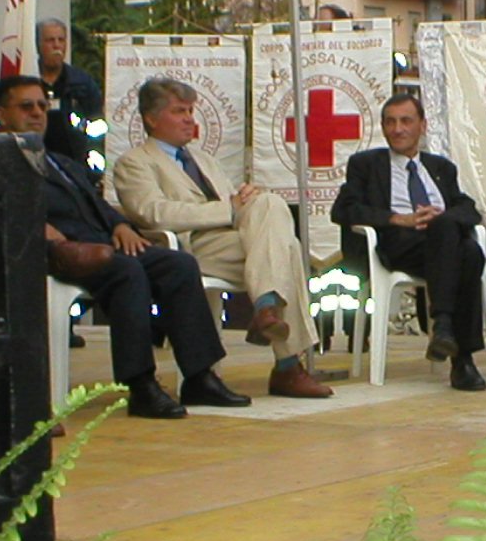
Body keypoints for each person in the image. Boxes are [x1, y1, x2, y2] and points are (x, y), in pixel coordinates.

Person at [0, 75, 248, 419]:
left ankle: (199, 375)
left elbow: (99, 207)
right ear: (2, 113)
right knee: (127, 272)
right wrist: (39, 229)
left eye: (42, 105)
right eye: (26, 106)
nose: (37, 113)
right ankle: (140, 384)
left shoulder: (59, 161)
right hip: (50, 251)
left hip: (100, 242)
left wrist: (121, 225)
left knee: (178, 264)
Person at [112, 77, 331, 399]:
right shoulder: (134, 162)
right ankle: (287, 363)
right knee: (288, 248)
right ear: (151, 118)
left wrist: (243, 201)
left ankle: (267, 307)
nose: (189, 118)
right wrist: (228, 210)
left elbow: (234, 206)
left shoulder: (203, 160)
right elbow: (152, 213)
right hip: (187, 247)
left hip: (231, 241)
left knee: (270, 207)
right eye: (179, 111)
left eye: (190, 110)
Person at [331, 93, 486, 391]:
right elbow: (343, 209)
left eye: (406, 121)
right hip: (400, 246)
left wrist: (442, 215)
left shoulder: (441, 168)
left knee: (464, 247)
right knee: (465, 251)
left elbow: (468, 208)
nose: (398, 129)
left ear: (422, 126)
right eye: (390, 122)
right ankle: (461, 357)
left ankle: (446, 331)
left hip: (443, 246)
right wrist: (395, 218)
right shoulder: (366, 164)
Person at [35, 18, 104, 164]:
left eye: (61, 40)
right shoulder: (27, 80)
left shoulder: (83, 83)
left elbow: (98, 124)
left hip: (75, 165)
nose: (56, 46)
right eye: (50, 40)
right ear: (38, 44)